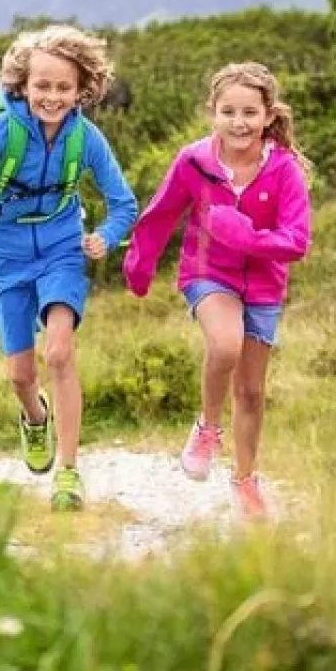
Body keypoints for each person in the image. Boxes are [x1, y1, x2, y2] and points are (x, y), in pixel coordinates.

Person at [0, 25, 139, 511]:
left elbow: (124, 203)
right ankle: (35, 418)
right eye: (42, 85)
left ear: (82, 89)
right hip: (9, 255)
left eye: (63, 87)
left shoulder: (87, 138)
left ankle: (68, 472)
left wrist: (104, 234)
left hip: (61, 248)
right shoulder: (1, 131)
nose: (52, 96)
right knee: (21, 375)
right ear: (23, 84)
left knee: (59, 353)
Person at [122, 63, 312, 521]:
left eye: (250, 112)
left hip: (265, 284)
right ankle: (207, 428)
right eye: (228, 111)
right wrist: (140, 263)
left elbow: (297, 241)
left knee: (250, 391)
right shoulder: (194, 162)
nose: (239, 122)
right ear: (213, 112)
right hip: (208, 273)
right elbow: (162, 212)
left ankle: (245, 480)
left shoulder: (284, 170)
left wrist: (247, 236)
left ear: (268, 116)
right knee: (224, 342)